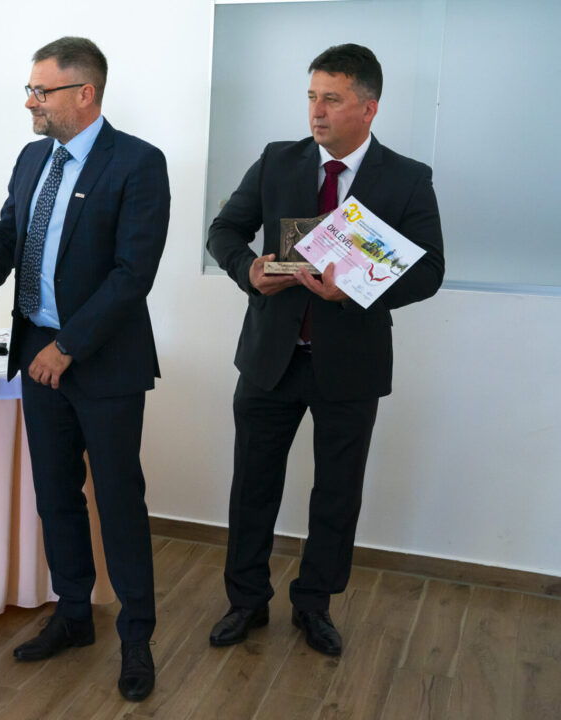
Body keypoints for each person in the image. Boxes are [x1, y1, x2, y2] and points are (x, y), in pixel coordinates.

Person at [206, 44, 444, 657]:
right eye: (312, 97)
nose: (316, 111)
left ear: (368, 107)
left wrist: (358, 287)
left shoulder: (407, 177)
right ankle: (246, 600)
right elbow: (224, 231)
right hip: (270, 359)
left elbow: (429, 272)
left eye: (331, 99)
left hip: (350, 365)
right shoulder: (276, 160)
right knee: (252, 485)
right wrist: (247, 269)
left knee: (337, 494)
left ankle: (314, 605)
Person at [0, 37, 170, 702]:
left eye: (41, 91)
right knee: (56, 495)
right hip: (37, 354)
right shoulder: (33, 159)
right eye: (29, 89)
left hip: (102, 362)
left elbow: (132, 274)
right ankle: (74, 614)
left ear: (85, 94)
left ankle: (136, 637)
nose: (30, 101)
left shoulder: (138, 163)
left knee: (118, 500)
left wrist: (69, 346)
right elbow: (9, 232)